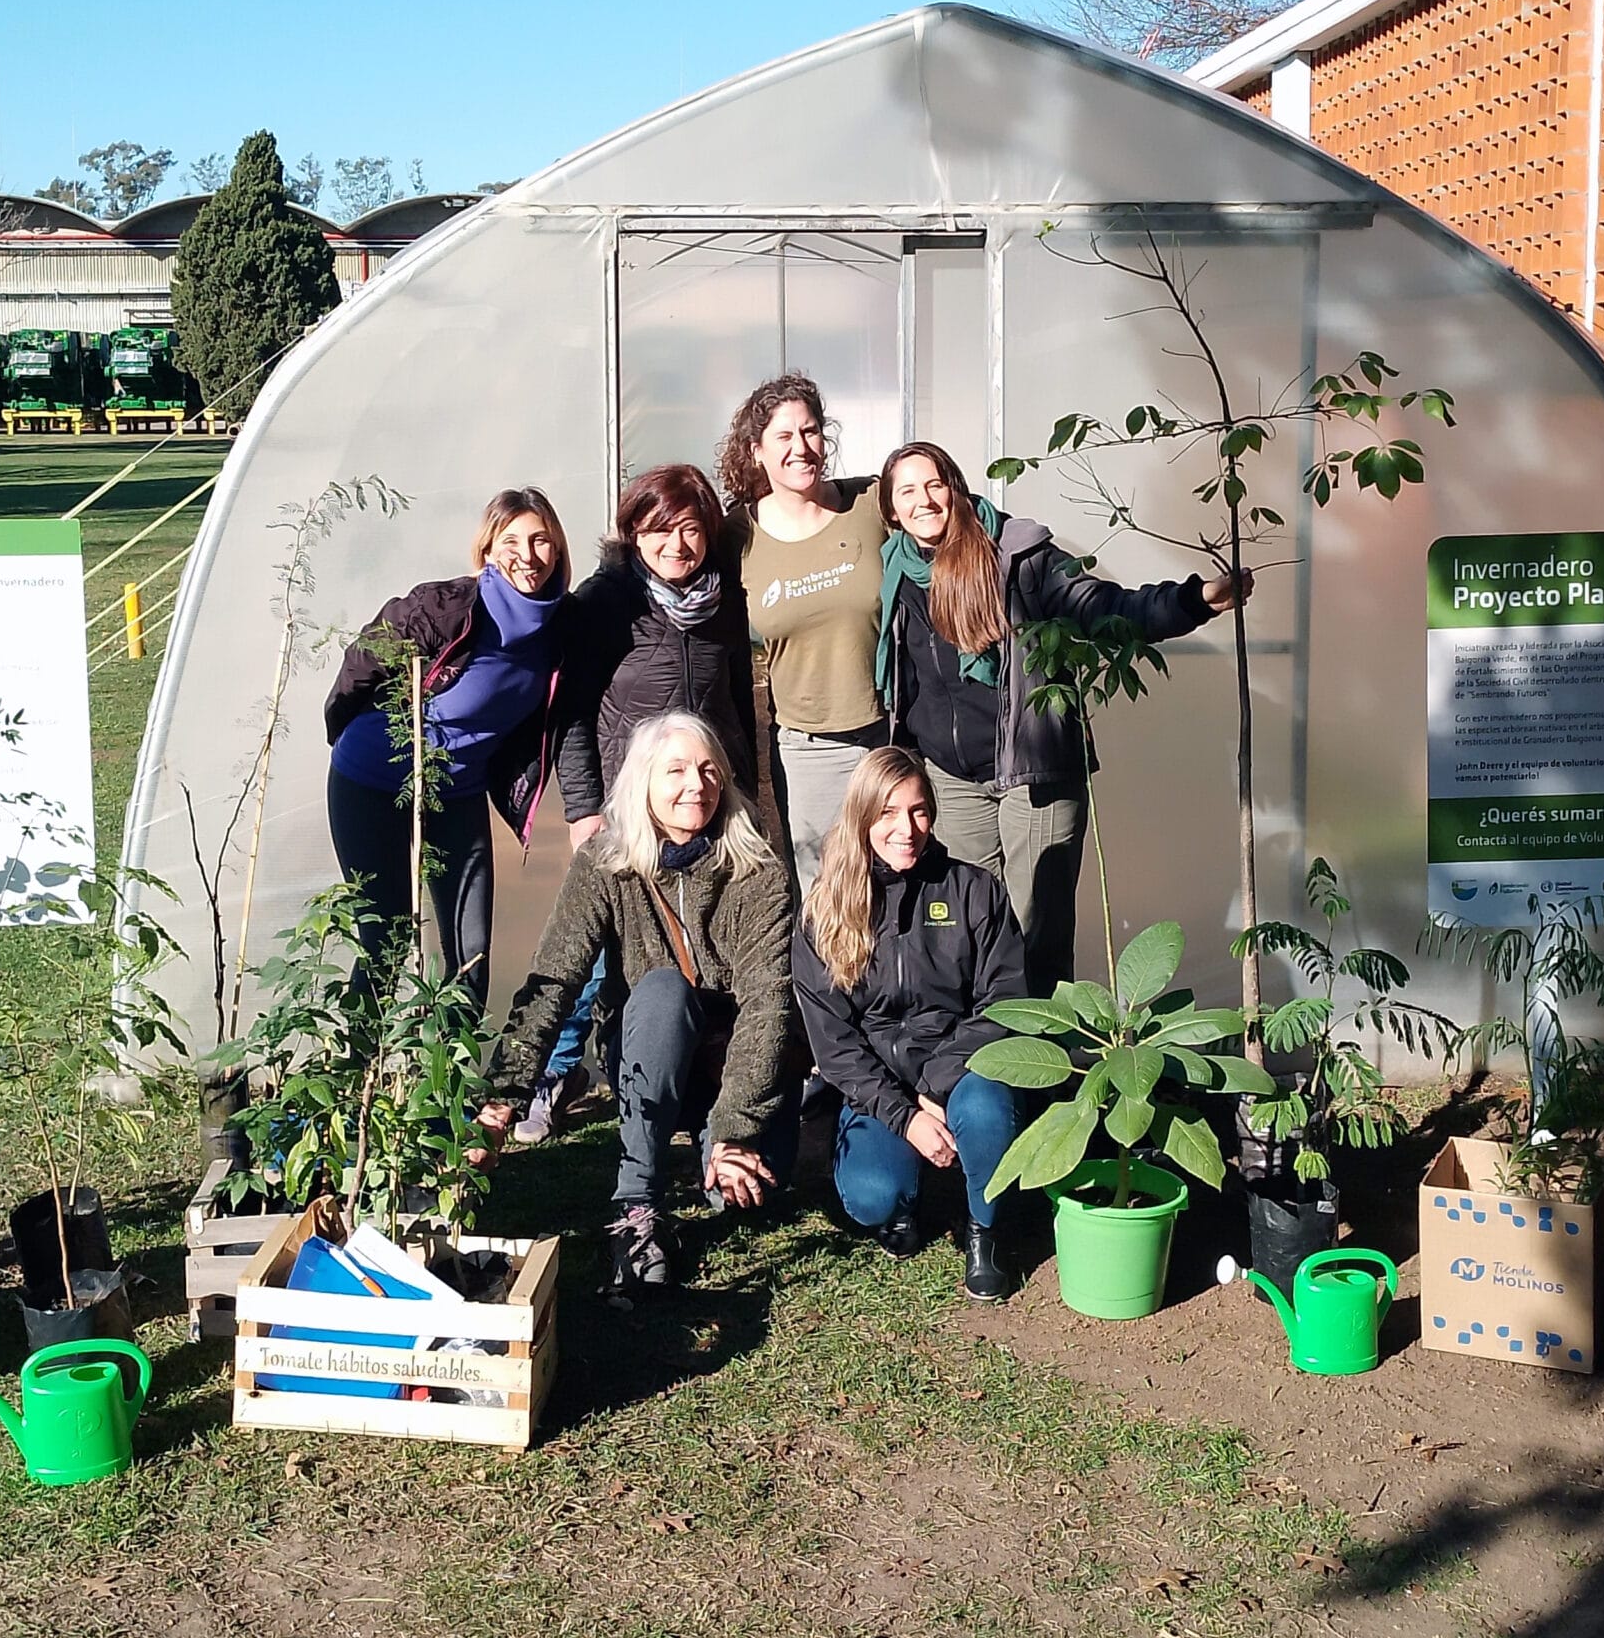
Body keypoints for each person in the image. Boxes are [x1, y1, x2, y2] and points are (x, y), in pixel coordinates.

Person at [874, 441, 1252, 995]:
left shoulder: (1016, 556)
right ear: (890, 510)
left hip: (1034, 769)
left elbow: (1105, 607)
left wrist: (1193, 601)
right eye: (906, 491)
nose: (923, 500)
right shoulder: (896, 573)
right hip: (952, 781)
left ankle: (1044, 1064)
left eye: (934, 484)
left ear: (955, 487)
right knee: (964, 922)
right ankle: (981, 1062)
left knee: (1034, 928)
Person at [482, 712, 797, 1289]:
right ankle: (637, 1208)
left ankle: (713, 1144)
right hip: (645, 1053)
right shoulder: (604, 863)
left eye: (707, 770)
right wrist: (504, 1095)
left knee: (753, 1199)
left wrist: (735, 1129)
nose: (695, 786)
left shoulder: (758, 872)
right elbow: (554, 978)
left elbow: (768, 1005)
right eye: (675, 770)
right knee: (661, 989)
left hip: (727, 1068)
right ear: (642, 781)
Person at [511, 464, 759, 1146]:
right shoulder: (606, 602)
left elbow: (738, 698)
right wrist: (585, 809)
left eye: (690, 528)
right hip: (629, 803)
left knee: (721, 935)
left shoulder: (724, 599)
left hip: (710, 796)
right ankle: (556, 1074)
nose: (676, 544)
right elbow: (573, 715)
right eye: (659, 529)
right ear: (633, 533)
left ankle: (720, 1076)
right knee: (590, 948)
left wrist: (750, 791)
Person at [322, 487, 572, 1011]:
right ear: (485, 550)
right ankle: (356, 1076)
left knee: (470, 952)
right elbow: (362, 661)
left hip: (457, 791)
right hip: (372, 780)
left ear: (558, 549)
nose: (527, 556)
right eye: (512, 541)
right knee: (385, 942)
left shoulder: (561, 625)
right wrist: (342, 733)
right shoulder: (445, 607)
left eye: (541, 540)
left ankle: (447, 1088)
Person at [793, 746, 1027, 1301]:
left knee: (986, 1112)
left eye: (919, 811)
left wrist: (934, 1085)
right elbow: (836, 1047)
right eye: (889, 813)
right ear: (862, 817)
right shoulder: (825, 912)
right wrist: (905, 1114)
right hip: (878, 1085)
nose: (907, 829)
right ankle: (902, 1190)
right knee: (874, 1195)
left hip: (962, 1068)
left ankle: (982, 1230)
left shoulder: (974, 890)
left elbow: (1005, 1000)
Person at [717, 373, 887, 898]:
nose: (801, 448)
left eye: (811, 432)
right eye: (784, 437)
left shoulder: (870, 506)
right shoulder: (736, 535)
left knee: (900, 880)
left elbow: (946, 520)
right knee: (824, 893)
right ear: (757, 451)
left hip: (894, 733)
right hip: (808, 747)